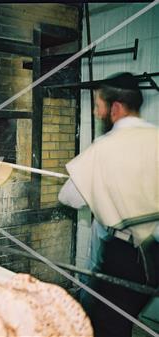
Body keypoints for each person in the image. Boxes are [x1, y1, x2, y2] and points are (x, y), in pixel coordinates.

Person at [58, 72, 159, 337]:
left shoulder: (106, 146)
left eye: (98, 105)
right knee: (120, 320)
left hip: (124, 255)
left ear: (115, 108)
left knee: (101, 324)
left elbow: (69, 197)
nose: (96, 111)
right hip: (154, 252)